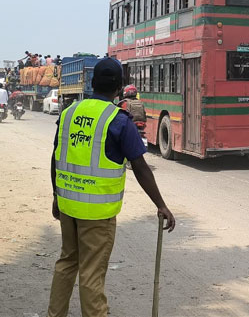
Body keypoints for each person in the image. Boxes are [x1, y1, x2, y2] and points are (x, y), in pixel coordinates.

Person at [47, 58, 175, 317]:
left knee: (66, 262)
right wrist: (161, 205)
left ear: (92, 84)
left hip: (68, 205)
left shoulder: (69, 112)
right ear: (118, 87)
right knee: (92, 273)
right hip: (97, 213)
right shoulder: (118, 120)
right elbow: (139, 166)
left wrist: (56, 195)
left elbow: (55, 156)